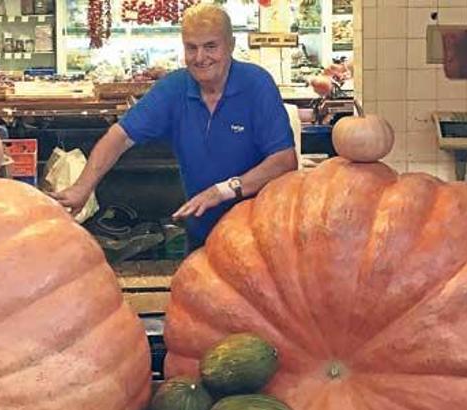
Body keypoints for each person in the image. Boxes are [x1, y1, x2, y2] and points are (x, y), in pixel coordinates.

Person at [51, 3, 297, 250]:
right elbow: (120, 136)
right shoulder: (174, 88)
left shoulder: (256, 84)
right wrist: (82, 188)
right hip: (202, 233)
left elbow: (284, 160)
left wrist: (221, 191)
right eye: (191, 47)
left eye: (210, 46)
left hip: (258, 234)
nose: (200, 58)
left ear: (231, 45)